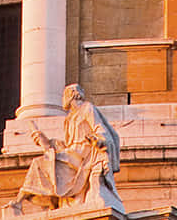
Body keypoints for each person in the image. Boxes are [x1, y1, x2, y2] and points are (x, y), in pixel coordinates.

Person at [10, 83, 125, 216]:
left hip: (83, 154)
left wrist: (98, 139)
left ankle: (23, 201)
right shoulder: (69, 118)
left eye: (65, 95)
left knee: (43, 163)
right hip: (72, 152)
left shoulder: (87, 108)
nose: (63, 99)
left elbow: (99, 128)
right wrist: (46, 141)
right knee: (40, 162)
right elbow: (67, 144)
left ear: (71, 95)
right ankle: (22, 201)